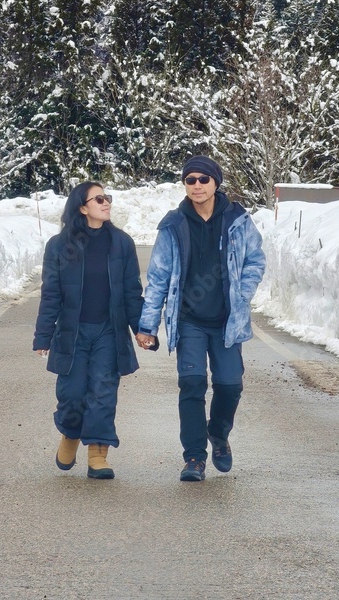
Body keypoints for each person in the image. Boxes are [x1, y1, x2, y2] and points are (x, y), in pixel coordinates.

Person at [135, 155, 266, 482]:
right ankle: (194, 457)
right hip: (188, 320)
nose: (196, 185)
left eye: (203, 179)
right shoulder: (173, 225)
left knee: (230, 385)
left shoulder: (237, 220)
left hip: (227, 322)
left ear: (215, 183)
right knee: (191, 385)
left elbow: (255, 261)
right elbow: (159, 278)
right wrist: (147, 325)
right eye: (190, 180)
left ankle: (218, 434)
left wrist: (242, 293)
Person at [33, 181, 143, 479]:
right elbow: (51, 293)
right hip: (72, 332)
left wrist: (141, 329)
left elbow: (132, 291)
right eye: (99, 199)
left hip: (109, 331)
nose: (106, 203)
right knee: (71, 392)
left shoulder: (121, 243)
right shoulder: (59, 246)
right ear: (82, 207)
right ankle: (70, 434)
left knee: (103, 392)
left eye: (107, 198)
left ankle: (98, 452)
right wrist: (43, 335)